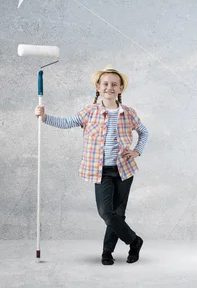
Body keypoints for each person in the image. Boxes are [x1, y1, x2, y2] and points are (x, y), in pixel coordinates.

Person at [34, 64, 149, 265]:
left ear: (121, 88)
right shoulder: (89, 112)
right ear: (98, 86)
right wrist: (44, 117)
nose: (109, 87)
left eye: (114, 84)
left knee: (118, 213)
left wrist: (137, 150)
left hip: (124, 170)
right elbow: (66, 122)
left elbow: (144, 132)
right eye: (105, 83)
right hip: (101, 171)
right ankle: (134, 241)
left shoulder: (128, 113)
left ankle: (107, 253)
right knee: (106, 213)